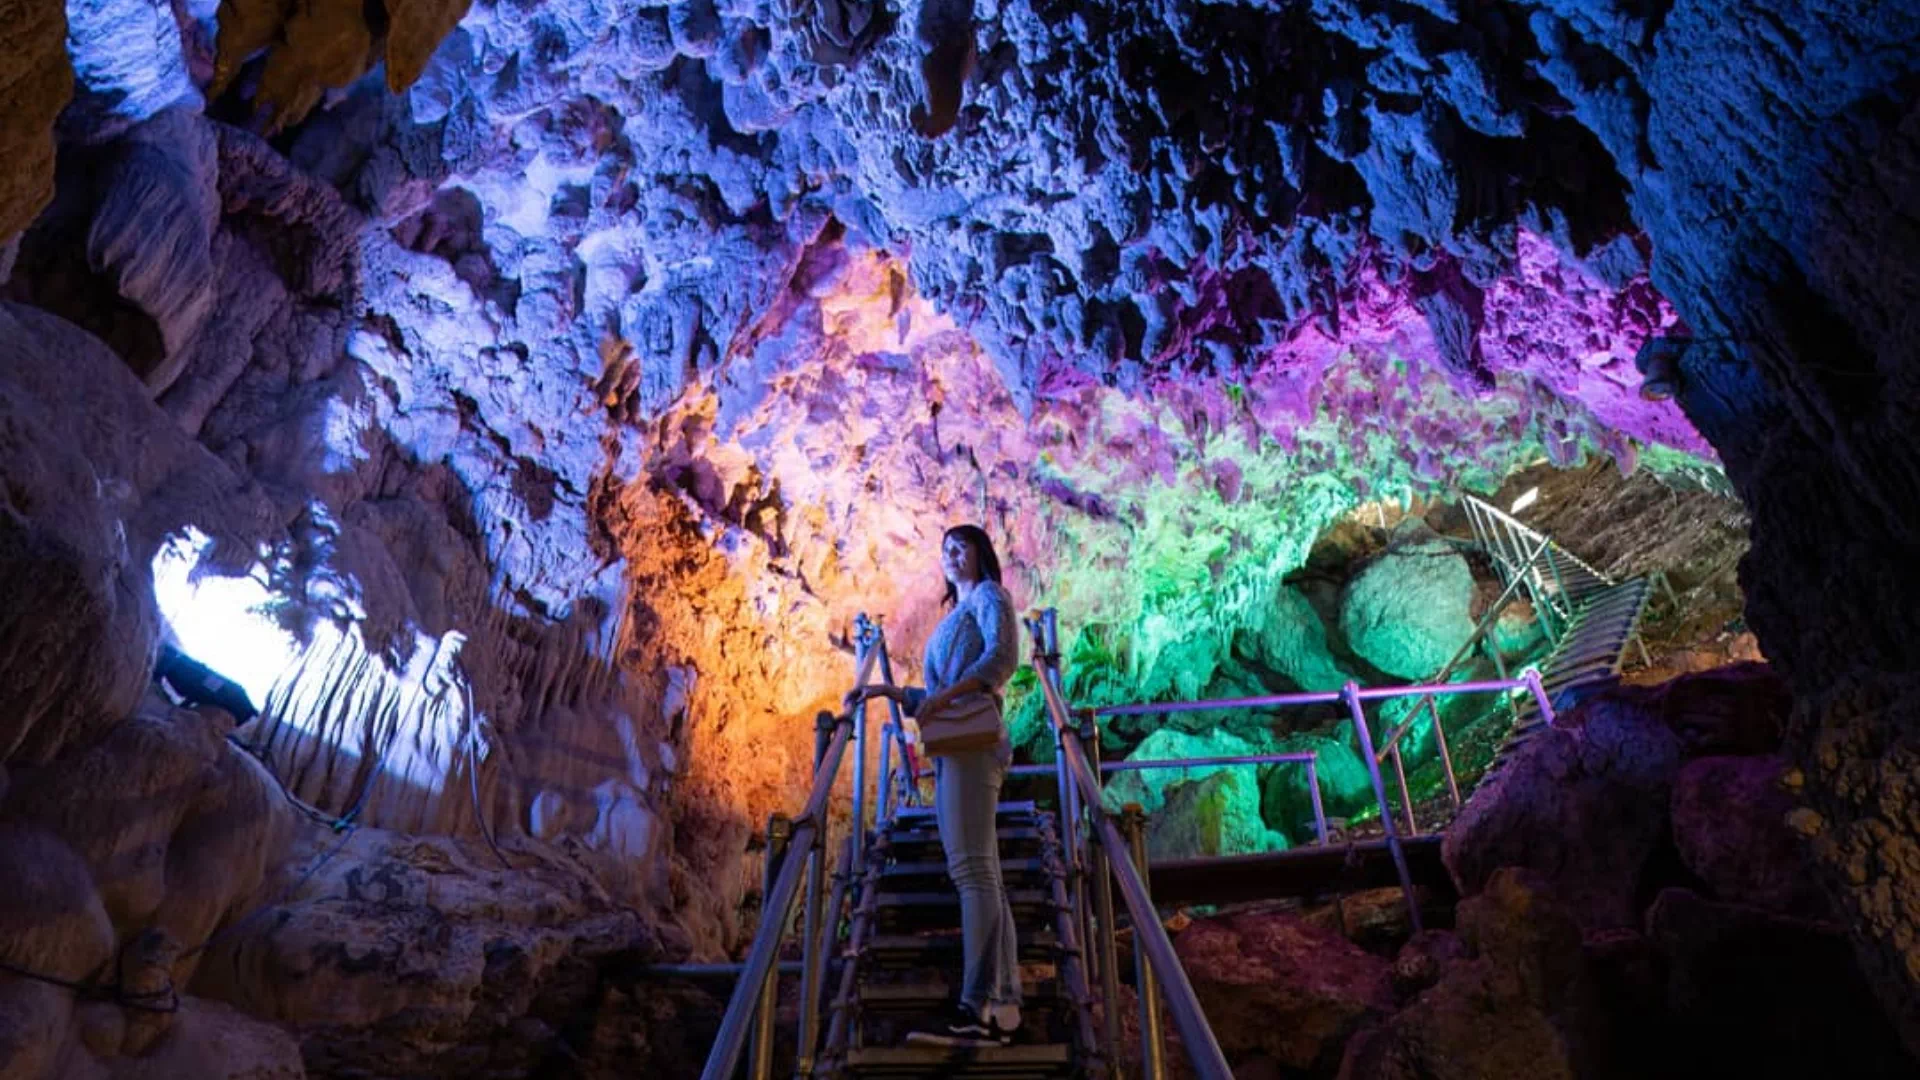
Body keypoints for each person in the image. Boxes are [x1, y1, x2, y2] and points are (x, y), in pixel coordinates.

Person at [847, 524, 1023, 1046]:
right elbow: (939, 690)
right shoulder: (954, 616)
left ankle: (976, 1005)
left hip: (972, 743)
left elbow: (1001, 659)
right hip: (953, 744)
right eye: (944, 548)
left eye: (959, 545)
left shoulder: (990, 596)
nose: (949, 554)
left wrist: (944, 700)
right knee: (978, 870)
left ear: (980, 553)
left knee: (972, 870)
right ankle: (1003, 1004)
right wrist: (889, 689)